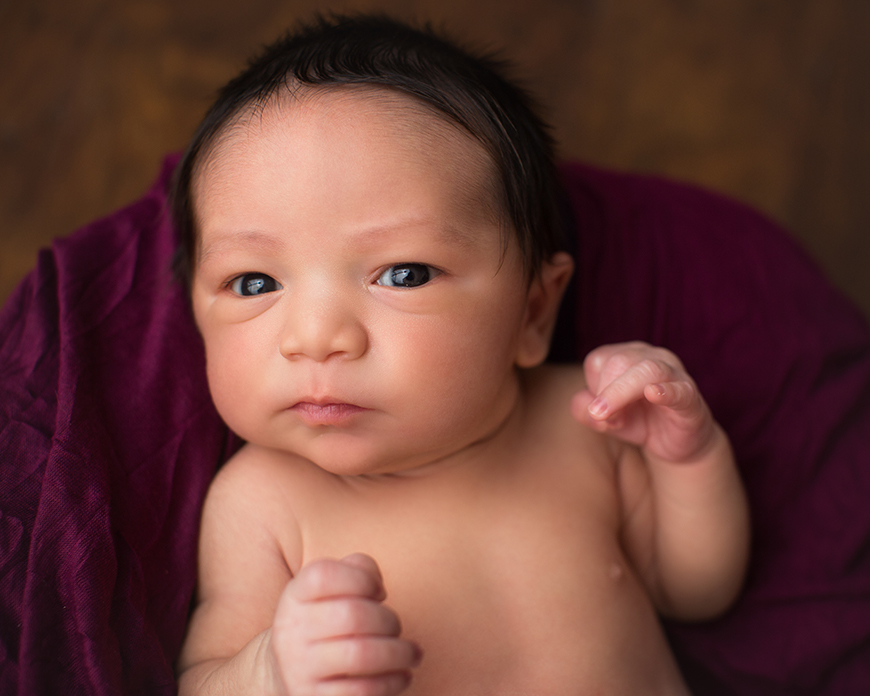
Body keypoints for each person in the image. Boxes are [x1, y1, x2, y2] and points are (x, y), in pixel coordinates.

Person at [173, 14, 750, 695]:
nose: (315, 337)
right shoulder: (263, 503)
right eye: (254, 283)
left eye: (404, 273)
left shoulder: (585, 426)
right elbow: (203, 680)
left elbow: (700, 591)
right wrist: (269, 672)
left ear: (533, 311)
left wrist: (688, 458)